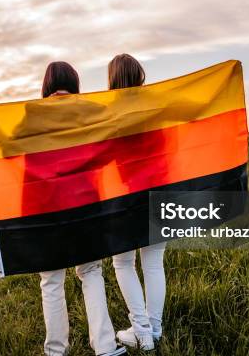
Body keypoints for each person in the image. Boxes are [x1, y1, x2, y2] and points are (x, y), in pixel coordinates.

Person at [35, 61, 126, 356]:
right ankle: (105, 346)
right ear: (75, 82)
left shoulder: (30, 115)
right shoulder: (90, 111)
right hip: (87, 202)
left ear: (47, 84)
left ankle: (55, 351)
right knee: (91, 271)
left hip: (48, 207)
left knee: (51, 280)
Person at [108, 54, 167, 351]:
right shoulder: (155, 111)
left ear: (113, 79)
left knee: (123, 262)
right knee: (154, 263)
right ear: (140, 75)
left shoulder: (112, 116)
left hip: (128, 197)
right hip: (162, 193)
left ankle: (142, 333)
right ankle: (153, 331)